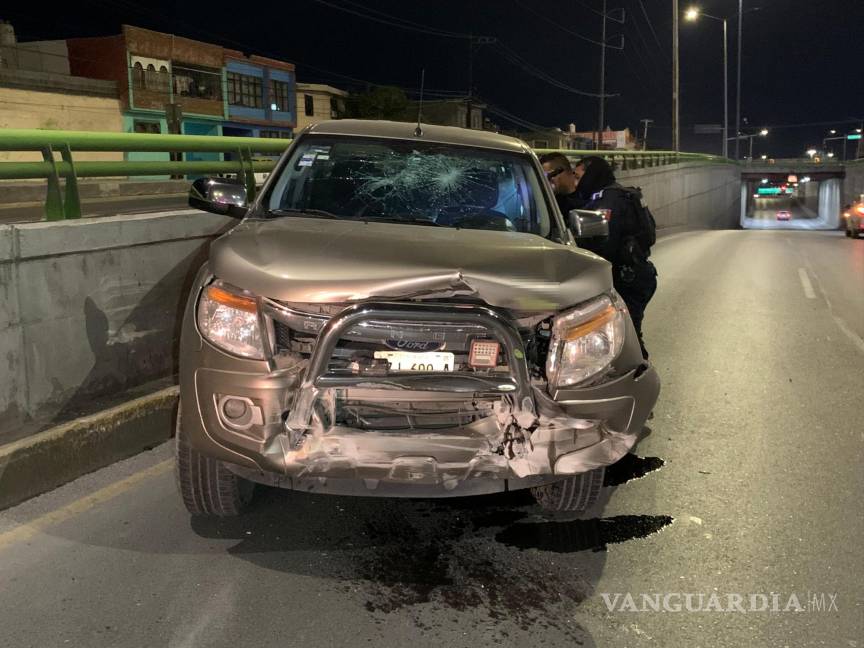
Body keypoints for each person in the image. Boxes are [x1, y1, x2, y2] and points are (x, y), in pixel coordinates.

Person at [540, 153, 657, 359]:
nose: (577, 180)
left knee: (626, 337)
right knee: (620, 334)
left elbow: (603, 244)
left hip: (628, 279)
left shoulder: (608, 200)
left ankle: (636, 373)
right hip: (632, 276)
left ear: (591, 173)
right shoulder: (612, 194)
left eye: (578, 175)